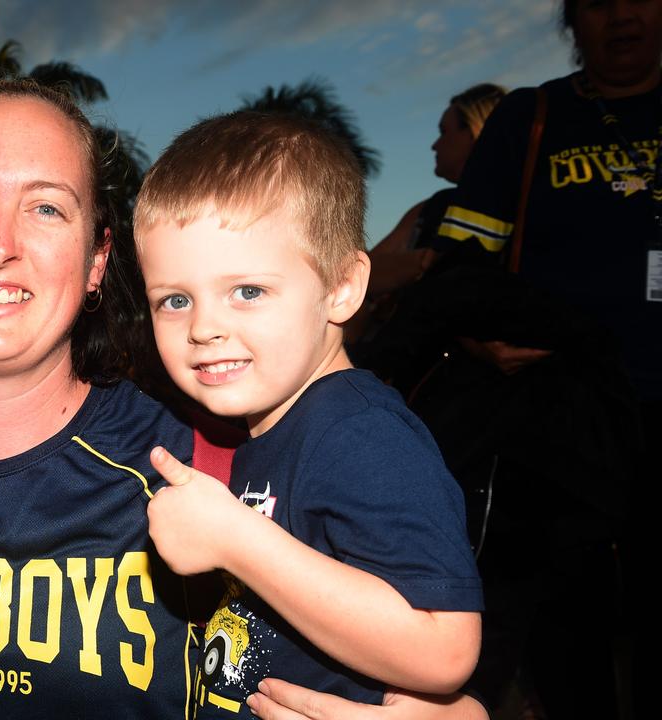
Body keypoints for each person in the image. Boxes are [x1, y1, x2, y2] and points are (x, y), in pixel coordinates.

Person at [0, 80, 486, 720]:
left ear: (98, 259)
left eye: (46, 209)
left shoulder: (211, 460)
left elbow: (411, 643)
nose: (1, 242)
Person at [135, 111, 482, 718]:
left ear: (342, 287)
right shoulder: (266, 430)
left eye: (248, 291)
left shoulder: (360, 433)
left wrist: (239, 541)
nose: (205, 327)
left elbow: (446, 648)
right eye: (175, 299)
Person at [424, 0, 655, 715]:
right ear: (570, 22)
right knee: (568, 635)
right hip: (562, 431)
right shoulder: (534, 119)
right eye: (595, 1)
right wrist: (473, 333)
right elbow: (459, 263)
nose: (619, 15)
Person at [364, 83, 506, 301]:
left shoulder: (438, 208)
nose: (435, 145)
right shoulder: (430, 208)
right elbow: (364, 274)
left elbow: (365, 274)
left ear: (475, 133)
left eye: (444, 132)